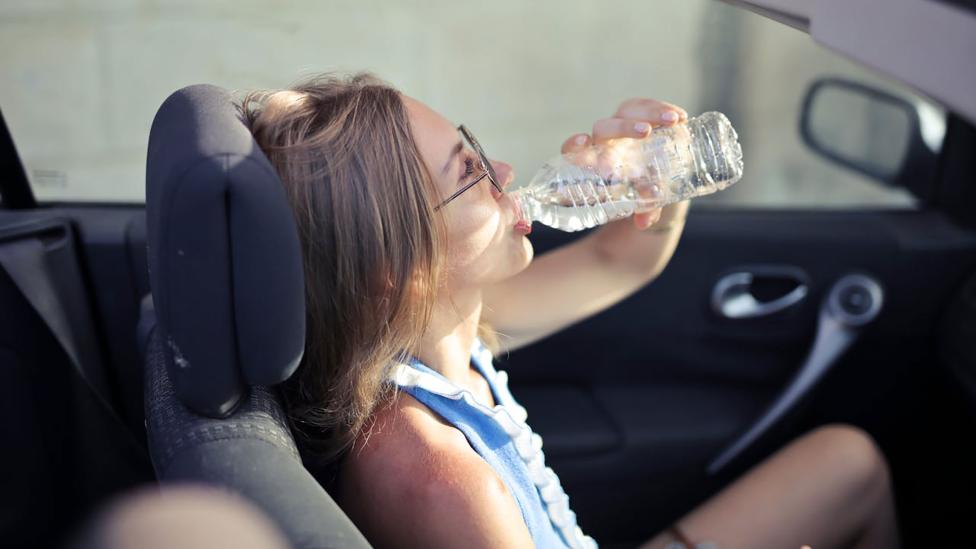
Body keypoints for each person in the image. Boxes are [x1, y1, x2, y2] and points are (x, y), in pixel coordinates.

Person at [241, 73, 900, 549]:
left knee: (850, 462)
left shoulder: (436, 331)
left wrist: (661, 179)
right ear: (399, 265)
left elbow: (622, 261)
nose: (502, 169)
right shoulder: (435, 476)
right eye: (469, 171)